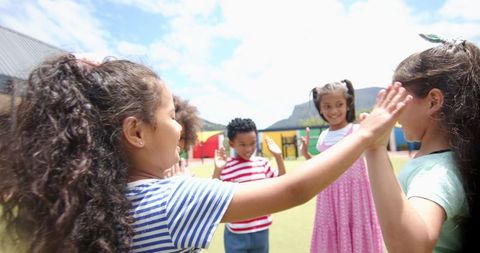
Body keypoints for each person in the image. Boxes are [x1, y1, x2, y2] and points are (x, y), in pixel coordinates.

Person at [0, 53, 410, 253]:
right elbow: (293, 191)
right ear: (136, 132)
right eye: (170, 114)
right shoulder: (170, 200)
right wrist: (367, 133)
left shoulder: (91, 201)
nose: (181, 126)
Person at [363, 37, 480, 252]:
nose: (395, 110)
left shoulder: (436, 172)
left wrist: (374, 149)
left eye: (400, 100)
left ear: (433, 101)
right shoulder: (454, 160)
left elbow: (411, 246)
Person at [300, 79, 383, 253]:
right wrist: (306, 153)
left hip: (356, 197)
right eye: (327, 106)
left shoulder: (357, 131)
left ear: (347, 104)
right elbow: (321, 166)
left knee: (357, 230)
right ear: (320, 108)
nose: (333, 111)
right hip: (328, 196)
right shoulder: (323, 137)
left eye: (339, 104)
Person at [212, 118, 286, 253]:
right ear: (232, 144)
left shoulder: (262, 163)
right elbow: (213, 192)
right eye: (243, 144)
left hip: (261, 231)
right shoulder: (226, 166)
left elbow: (282, 181)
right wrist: (218, 169)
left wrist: (278, 157)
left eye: (252, 143)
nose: (249, 149)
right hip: (236, 233)